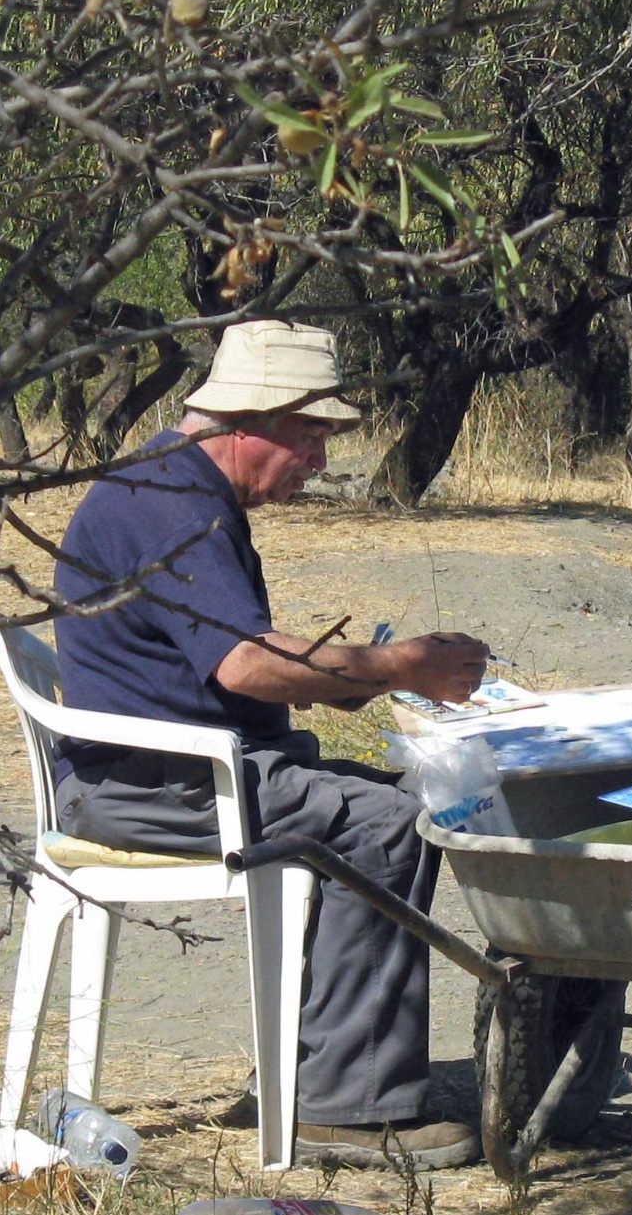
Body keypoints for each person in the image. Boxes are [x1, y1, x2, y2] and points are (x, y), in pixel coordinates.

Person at [50, 320, 491, 1169]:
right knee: (387, 825)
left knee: (399, 804)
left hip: (171, 765)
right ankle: (346, 1107)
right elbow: (248, 664)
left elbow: (235, 657)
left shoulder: (177, 488)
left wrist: (369, 674)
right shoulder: (171, 503)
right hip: (151, 784)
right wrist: (397, 666)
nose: (321, 460)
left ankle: (318, 1069)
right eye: (312, 434)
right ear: (253, 419)